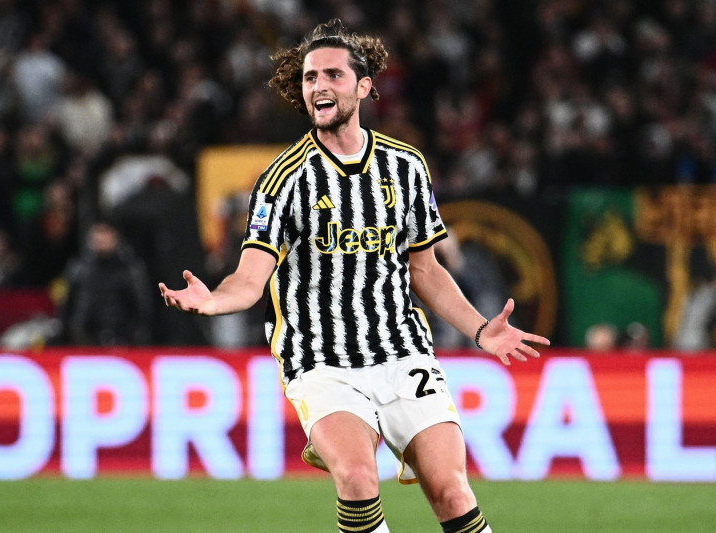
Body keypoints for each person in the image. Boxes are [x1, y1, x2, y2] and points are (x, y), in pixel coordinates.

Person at [159, 19, 549, 533]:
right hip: (321, 360)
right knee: (359, 477)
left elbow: (425, 270)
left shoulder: (405, 165)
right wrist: (213, 301)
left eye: (332, 75)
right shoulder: (282, 181)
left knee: (453, 493)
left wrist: (480, 329)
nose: (318, 85)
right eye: (309, 77)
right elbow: (251, 278)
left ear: (363, 87)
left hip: (401, 350)